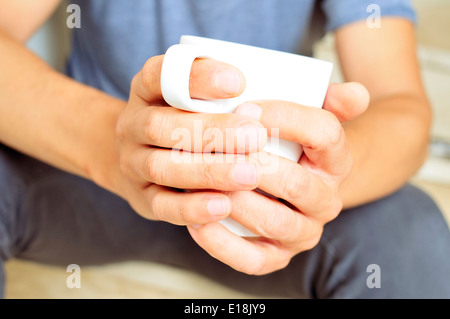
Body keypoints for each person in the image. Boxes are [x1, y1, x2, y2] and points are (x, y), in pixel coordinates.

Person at [0, 0, 449, 299]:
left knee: (408, 232)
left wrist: (315, 183)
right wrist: (117, 145)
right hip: (88, 178)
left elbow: (401, 105)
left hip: (272, 202)